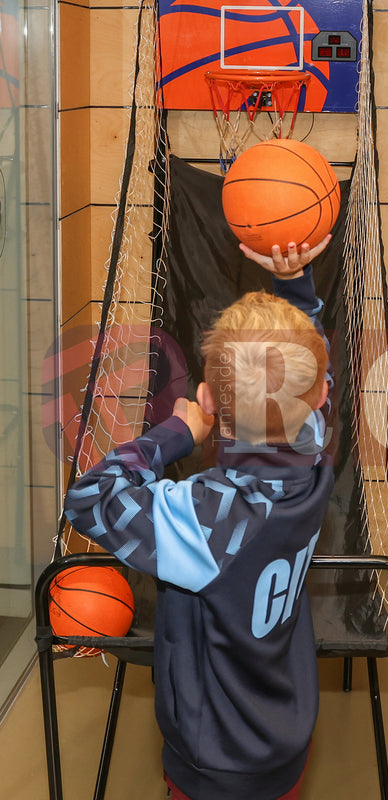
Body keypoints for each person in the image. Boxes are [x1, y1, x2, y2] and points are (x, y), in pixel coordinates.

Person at [64, 236, 335, 800]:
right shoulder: (313, 459)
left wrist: (175, 435)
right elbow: (306, 384)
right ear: (318, 398)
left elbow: (89, 498)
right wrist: (296, 285)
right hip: (286, 738)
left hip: (216, 761)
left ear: (208, 400)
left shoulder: (204, 519)